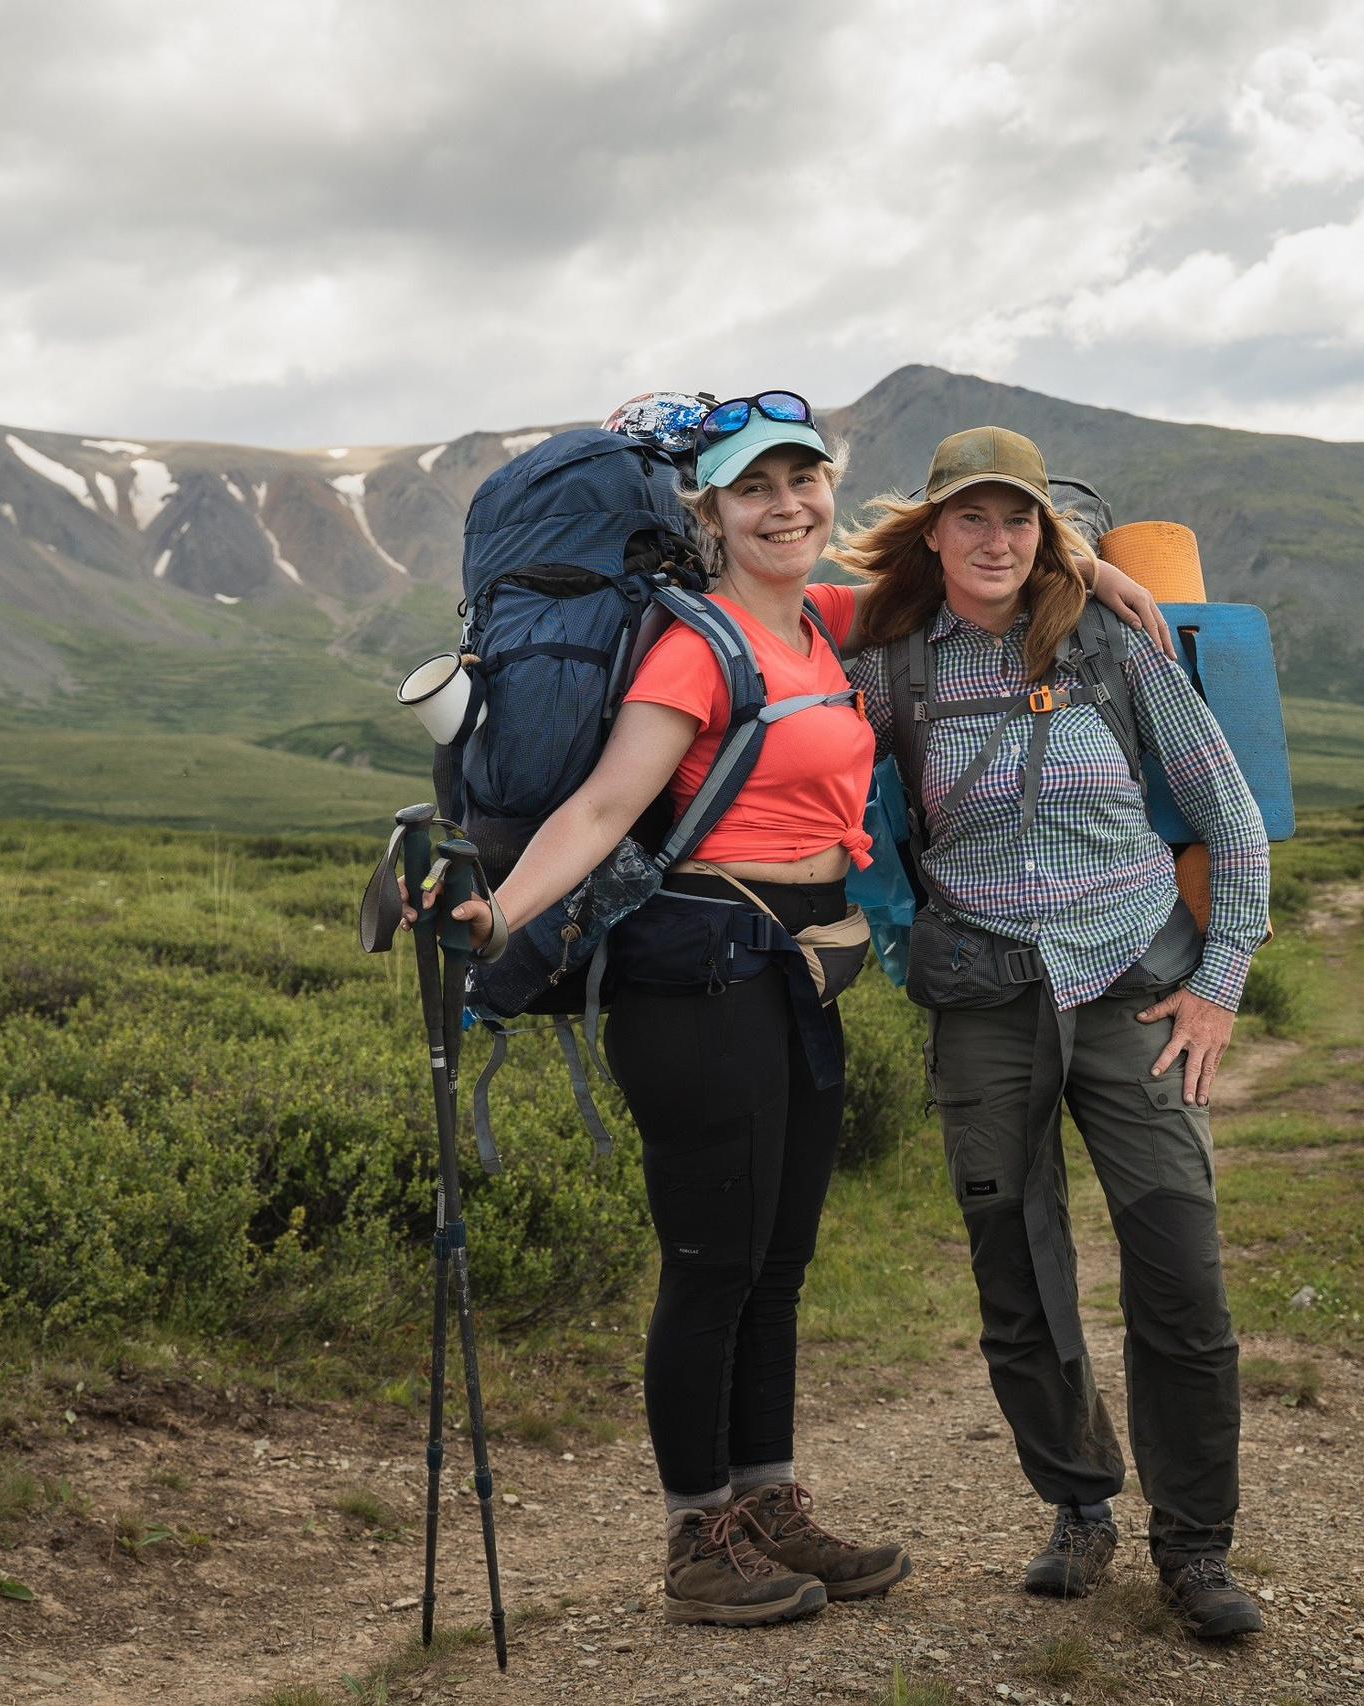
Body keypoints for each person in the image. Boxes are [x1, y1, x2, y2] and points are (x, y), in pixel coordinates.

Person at [419, 395, 1173, 1628]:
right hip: (697, 974)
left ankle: (766, 1501)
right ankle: (695, 1531)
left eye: (802, 483)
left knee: (778, 1267)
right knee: (711, 1265)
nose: (786, 508)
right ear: (708, 514)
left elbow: (970, 576)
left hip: (798, 972)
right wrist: (501, 916)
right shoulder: (692, 643)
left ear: (829, 495)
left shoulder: (833, 621)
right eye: (753, 490)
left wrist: (1084, 562)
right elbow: (607, 807)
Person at [833, 427, 1273, 1640]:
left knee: (1179, 1270)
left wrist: (1220, 976)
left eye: (1015, 518)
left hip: (1136, 983)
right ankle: (1080, 1504)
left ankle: (1194, 1546)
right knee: (1016, 1279)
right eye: (969, 518)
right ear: (932, 531)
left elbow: (1232, 815)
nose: (994, 540)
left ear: (1044, 530)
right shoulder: (889, 670)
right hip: (985, 996)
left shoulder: (1116, 650)